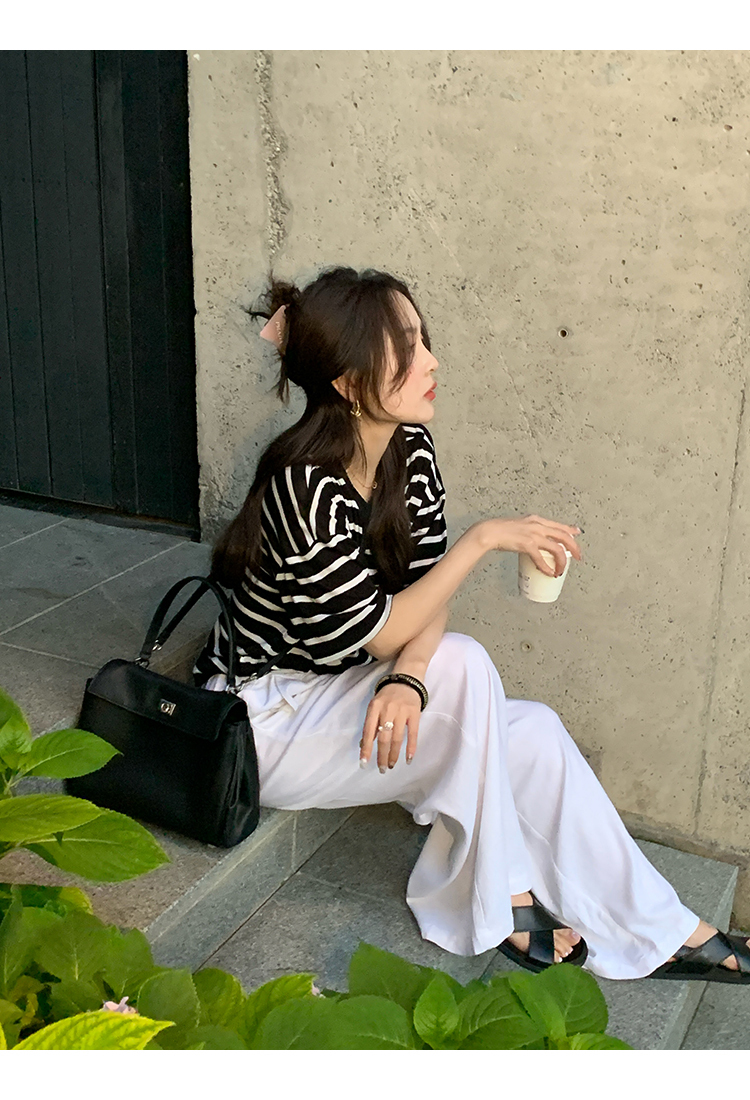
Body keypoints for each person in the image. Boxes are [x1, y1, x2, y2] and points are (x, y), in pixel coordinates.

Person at [195, 264, 750, 983]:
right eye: (407, 350)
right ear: (351, 383)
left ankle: (665, 931)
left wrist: (410, 677)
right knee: (461, 665)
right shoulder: (302, 485)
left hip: (350, 692)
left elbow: (422, 601)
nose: (432, 362)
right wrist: (481, 540)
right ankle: (499, 899)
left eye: (424, 340)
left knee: (535, 733)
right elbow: (379, 629)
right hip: (264, 722)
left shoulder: (408, 450)